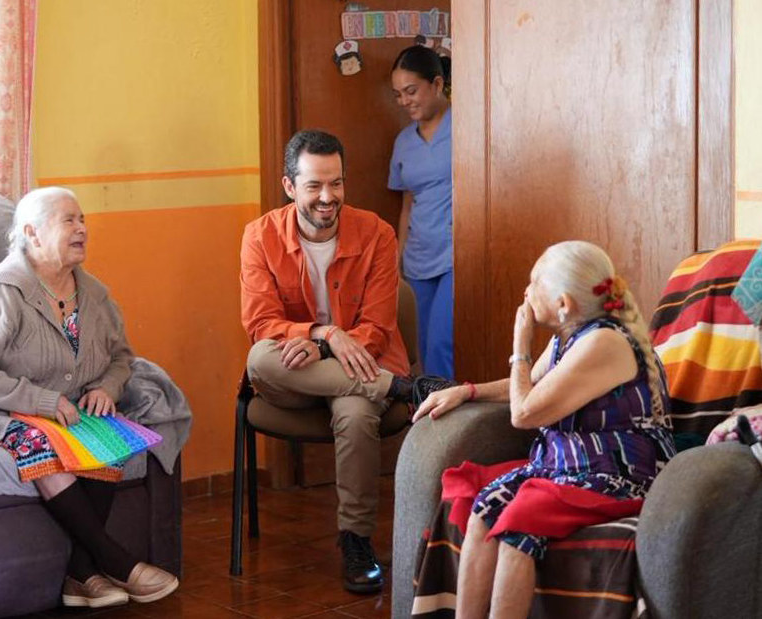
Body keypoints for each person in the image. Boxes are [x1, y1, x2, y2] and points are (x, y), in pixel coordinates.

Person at [0, 187, 178, 609]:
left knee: (111, 437)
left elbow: (122, 357)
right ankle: (113, 560)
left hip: (66, 411)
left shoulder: (95, 295)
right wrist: (41, 402)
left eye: (82, 219)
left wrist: (107, 388)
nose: (82, 228)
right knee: (41, 442)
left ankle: (80, 575)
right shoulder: (1, 293)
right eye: (69, 220)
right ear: (32, 232)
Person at [411, 241, 676, 619]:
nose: (526, 291)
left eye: (535, 283)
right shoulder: (569, 336)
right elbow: (528, 387)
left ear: (563, 303)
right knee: (484, 505)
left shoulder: (606, 341)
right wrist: (467, 391)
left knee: (519, 522)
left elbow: (524, 413)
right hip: (567, 466)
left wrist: (520, 344)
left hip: (619, 472)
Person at [240, 129, 414, 594]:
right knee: (260, 358)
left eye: (335, 183)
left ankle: (356, 540)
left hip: (357, 369)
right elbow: (261, 324)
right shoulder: (259, 236)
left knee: (356, 414)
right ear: (289, 186)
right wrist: (322, 333)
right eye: (314, 185)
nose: (327, 196)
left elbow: (377, 327)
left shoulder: (377, 233)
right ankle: (399, 389)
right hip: (294, 381)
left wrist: (321, 349)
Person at [389, 44, 455, 380]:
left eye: (411, 91)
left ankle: (445, 409)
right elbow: (407, 205)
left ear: (437, 83)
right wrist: (398, 258)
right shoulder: (403, 141)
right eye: (398, 94)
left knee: (442, 343)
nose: (404, 101)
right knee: (422, 347)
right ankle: (429, 407)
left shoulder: (466, 125)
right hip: (418, 258)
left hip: (455, 255)